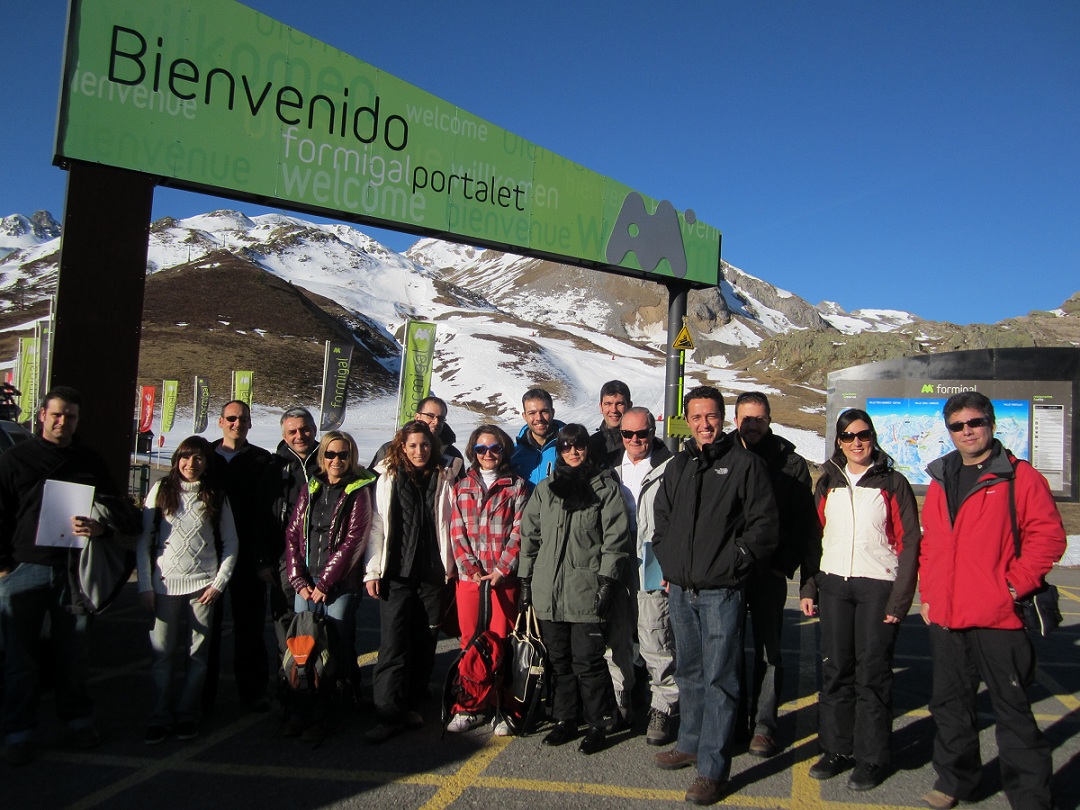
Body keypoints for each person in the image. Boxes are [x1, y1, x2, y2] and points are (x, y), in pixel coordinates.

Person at [918, 392, 1065, 810]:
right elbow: (934, 547)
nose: (967, 432)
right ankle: (955, 782)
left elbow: (1048, 537)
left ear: (992, 424)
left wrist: (1014, 587)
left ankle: (1030, 797)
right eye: (958, 426)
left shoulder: (1019, 477)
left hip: (999, 618)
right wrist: (928, 594)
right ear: (949, 431)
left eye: (975, 423)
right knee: (949, 707)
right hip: (947, 615)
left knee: (1014, 711)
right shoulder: (942, 476)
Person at [651, 385, 778, 806]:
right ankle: (689, 742)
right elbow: (662, 518)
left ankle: (712, 768)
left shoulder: (744, 464)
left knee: (720, 678)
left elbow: (763, 526)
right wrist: (670, 563)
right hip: (683, 589)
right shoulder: (679, 465)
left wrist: (734, 563)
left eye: (712, 416)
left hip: (722, 590)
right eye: (697, 417)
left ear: (722, 419)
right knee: (688, 670)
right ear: (687, 420)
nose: (705, 425)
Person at [0, 386, 124, 765]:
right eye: (56, 414)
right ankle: (18, 732)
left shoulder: (88, 460)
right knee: (20, 658)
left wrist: (102, 529)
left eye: (69, 416)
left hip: (74, 570)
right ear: (41, 415)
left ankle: (78, 721)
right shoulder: (15, 458)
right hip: (25, 568)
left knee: (74, 653)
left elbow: (116, 507)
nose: (62, 421)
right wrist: (4, 565)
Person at [799, 408, 920, 793]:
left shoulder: (892, 483)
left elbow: (909, 542)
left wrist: (900, 599)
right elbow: (813, 538)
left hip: (876, 587)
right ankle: (836, 749)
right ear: (838, 442)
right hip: (834, 584)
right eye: (848, 436)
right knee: (836, 670)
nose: (857, 442)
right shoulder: (827, 482)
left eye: (863, 435)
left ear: (873, 437)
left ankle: (871, 757)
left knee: (873, 674)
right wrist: (809, 587)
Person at [518, 423, 632, 756]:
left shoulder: (604, 489)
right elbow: (530, 538)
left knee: (588, 661)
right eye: (566, 446)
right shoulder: (545, 489)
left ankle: (599, 722)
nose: (573, 451)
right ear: (559, 452)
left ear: (587, 448)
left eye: (579, 445)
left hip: (586, 590)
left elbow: (615, 540)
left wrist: (607, 581)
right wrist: (525, 581)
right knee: (559, 660)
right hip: (548, 591)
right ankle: (564, 718)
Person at [730, 392, 820, 758]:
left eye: (759, 419)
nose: (752, 425)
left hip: (769, 571)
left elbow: (803, 523)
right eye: (746, 418)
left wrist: (786, 564)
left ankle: (764, 724)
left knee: (769, 651)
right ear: (736, 420)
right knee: (728, 650)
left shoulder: (790, 463)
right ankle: (733, 721)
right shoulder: (722, 455)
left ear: (769, 421)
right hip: (729, 571)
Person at [363, 420, 463, 743]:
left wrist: (452, 564)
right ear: (401, 447)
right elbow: (377, 525)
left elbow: (453, 521)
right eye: (412, 445)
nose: (419, 451)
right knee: (393, 643)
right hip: (397, 573)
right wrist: (373, 569)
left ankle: (412, 702)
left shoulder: (446, 475)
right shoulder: (388, 477)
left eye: (424, 445)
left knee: (424, 641)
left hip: (433, 573)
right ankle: (387, 713)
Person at [137, 436, 238, 745]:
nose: (190, 464)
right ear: (176, 459)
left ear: (207, 463)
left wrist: (219, 583)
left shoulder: (216, 496)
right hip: (164, 586)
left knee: (197, 657)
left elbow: (231, 542)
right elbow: (144, 541)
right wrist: (145, 585)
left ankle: (186, 714)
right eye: (185, 457)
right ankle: (159, 716)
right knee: (162, 656)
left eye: (198, 459)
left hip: (203, 587)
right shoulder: (160, 490)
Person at [285, 431, 375, 739]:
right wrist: (298, 579)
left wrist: (325, 582)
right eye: (330, 454)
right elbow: (294, 533)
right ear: (322, 456)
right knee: (303, 647)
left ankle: (327, 712)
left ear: (352, 457)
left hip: (338, 584)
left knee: (334, 645)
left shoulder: (358, 491)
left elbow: (354, 541)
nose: (336, 460)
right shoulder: (311, 487)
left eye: (343, 455)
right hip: (306, 582)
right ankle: (301, 707)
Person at [445, 424, 528, 736]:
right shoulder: (461, 486)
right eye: (481, 449)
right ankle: (470, 705)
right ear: (473, 452)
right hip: (470, 578)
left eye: (494, 448)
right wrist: (469, 565)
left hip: (501, 579)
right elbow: (457, 530)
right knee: (470, 641)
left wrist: (502, 569)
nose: (488, 454)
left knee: (502, 641)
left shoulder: (516, 486)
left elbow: (519, 532)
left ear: (503, 450)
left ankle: (503, 707)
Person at [609, 406, 677, 746]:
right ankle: (621, 696)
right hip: (618, 561)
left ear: (654, 431)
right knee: (617, 633)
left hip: (652, 561)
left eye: (643, 433)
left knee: (656, 635)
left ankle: (663, 705)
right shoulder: (609, 469)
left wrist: (672, 563)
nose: (636, 440)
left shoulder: (671, 468)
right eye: (628, 434)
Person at [204, 400, 274, 713]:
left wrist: (264, 558)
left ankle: (252, 691)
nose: (237, 423)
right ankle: (204, 693)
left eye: (243, 419)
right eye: (231, 418)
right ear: (220, 422)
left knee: (250, 627)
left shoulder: (261, 459)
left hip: (248, 555)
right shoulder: (204, 457)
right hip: (207, 555)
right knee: (206, 629)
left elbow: (269, 512)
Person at [265, 407, 320, 665]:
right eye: (293, 431)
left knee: (326, 617)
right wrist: (264, 559)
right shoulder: (273, 468)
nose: (300, 435)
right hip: (285, 556)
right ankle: (291, 676)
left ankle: (327, 678)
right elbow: (262, 516)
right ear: (284, 435)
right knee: (285, 617)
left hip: (323, 554)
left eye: (305, 429)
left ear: (315, 429)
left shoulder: (330, 458)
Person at [368, 396, 463, 469]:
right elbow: (370, 486)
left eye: (441, 418)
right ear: (417, 417)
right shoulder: (389, 450)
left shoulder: (453, 456)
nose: (436, 422)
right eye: (430, 416)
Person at [510, 388, 566, 487]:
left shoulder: (570, 448)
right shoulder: (514, 452)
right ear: (524, 416)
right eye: (532, 413)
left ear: (552, 412)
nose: (539, 418)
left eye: (544, 411)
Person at [588, 380, 632, 468]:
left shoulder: (639, 442)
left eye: (619, 404)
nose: (614, 410)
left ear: (629, 406)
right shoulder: (591, 445)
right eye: (608, 404)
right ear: (601, 407)